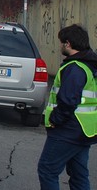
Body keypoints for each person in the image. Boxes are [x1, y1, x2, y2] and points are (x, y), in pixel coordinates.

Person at [38, 24, 97, 189]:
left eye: (61, 42)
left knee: (47, 169)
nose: (60, 46)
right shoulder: (90, 65)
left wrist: (55, 120)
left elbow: (68, 100)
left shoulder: (75, 68)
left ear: (68, 43)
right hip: (85, 130)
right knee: (79, 175)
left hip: (68, 129)